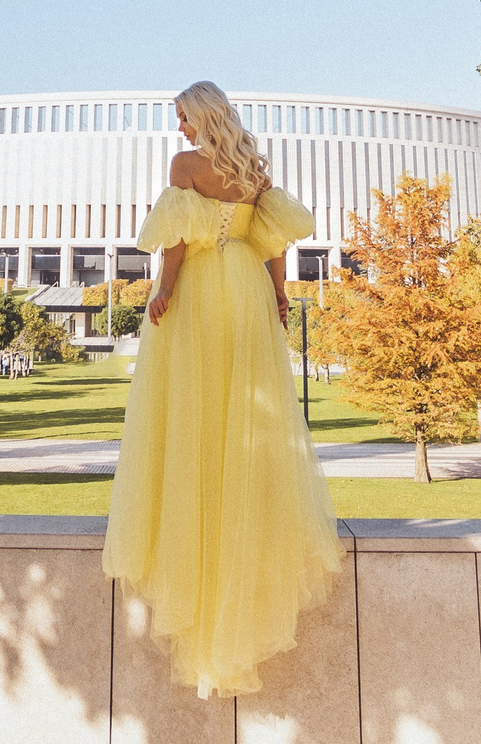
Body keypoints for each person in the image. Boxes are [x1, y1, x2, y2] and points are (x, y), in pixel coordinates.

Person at [104, 80, 340, 698]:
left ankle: (193, 523)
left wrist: (163, 289)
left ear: (201, 116)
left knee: (193, 406)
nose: (180, 129)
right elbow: (273, 242)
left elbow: (179, 241)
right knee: (243, 413)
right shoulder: (253, 167)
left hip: (206, 285)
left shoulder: (186, 166)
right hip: (249, 289)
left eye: (183, 117)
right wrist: (282, 293)